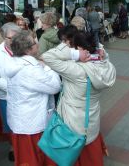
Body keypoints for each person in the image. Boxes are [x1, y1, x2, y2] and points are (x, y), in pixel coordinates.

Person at [42, 30, 116, 166]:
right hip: (91, 120)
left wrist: (75, 54)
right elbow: (105, 60)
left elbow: (47, 56)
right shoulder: (106, 67)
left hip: (72, 123)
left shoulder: (76, 70)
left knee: (73, 157)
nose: (70, 48)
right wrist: (103, 56)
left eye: (72, 46)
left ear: (81, 49)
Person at [5, 30, 61, 166]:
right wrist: (48, 68)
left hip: (21, 120)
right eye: (35, 42)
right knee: (33, 160)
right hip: (31, 124)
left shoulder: (15, 63)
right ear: (28, 49)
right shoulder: (30, 70)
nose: (38, 44)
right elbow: (55, 86)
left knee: (26, 159)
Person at [0, 22, 21, 161]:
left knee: (22, 122)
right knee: (9, 124)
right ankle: (13, 147)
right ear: (3, 37)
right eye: (10, 38)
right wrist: (11, 86)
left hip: (23, 94)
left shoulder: (22, 48)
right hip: (5, 95)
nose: (14, 41)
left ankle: (23, 146)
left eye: (17, 37)